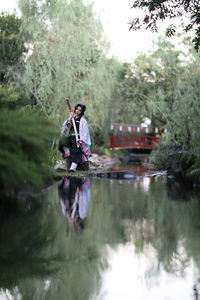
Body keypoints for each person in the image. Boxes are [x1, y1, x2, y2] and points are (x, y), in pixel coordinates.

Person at [58, 103, 91, 172]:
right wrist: (69, 119)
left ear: (82, 112)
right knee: (62, 141)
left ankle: (73, 166)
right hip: (70, 137)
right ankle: (67, 153)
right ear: (75, 109)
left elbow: (85, 133)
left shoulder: (83, 121)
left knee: (76, 145)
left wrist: (81, 140)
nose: (77, 111)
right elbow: (65, 130)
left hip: (78, 138)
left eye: (80, 110)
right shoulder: (71, 119)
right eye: (77, 109)